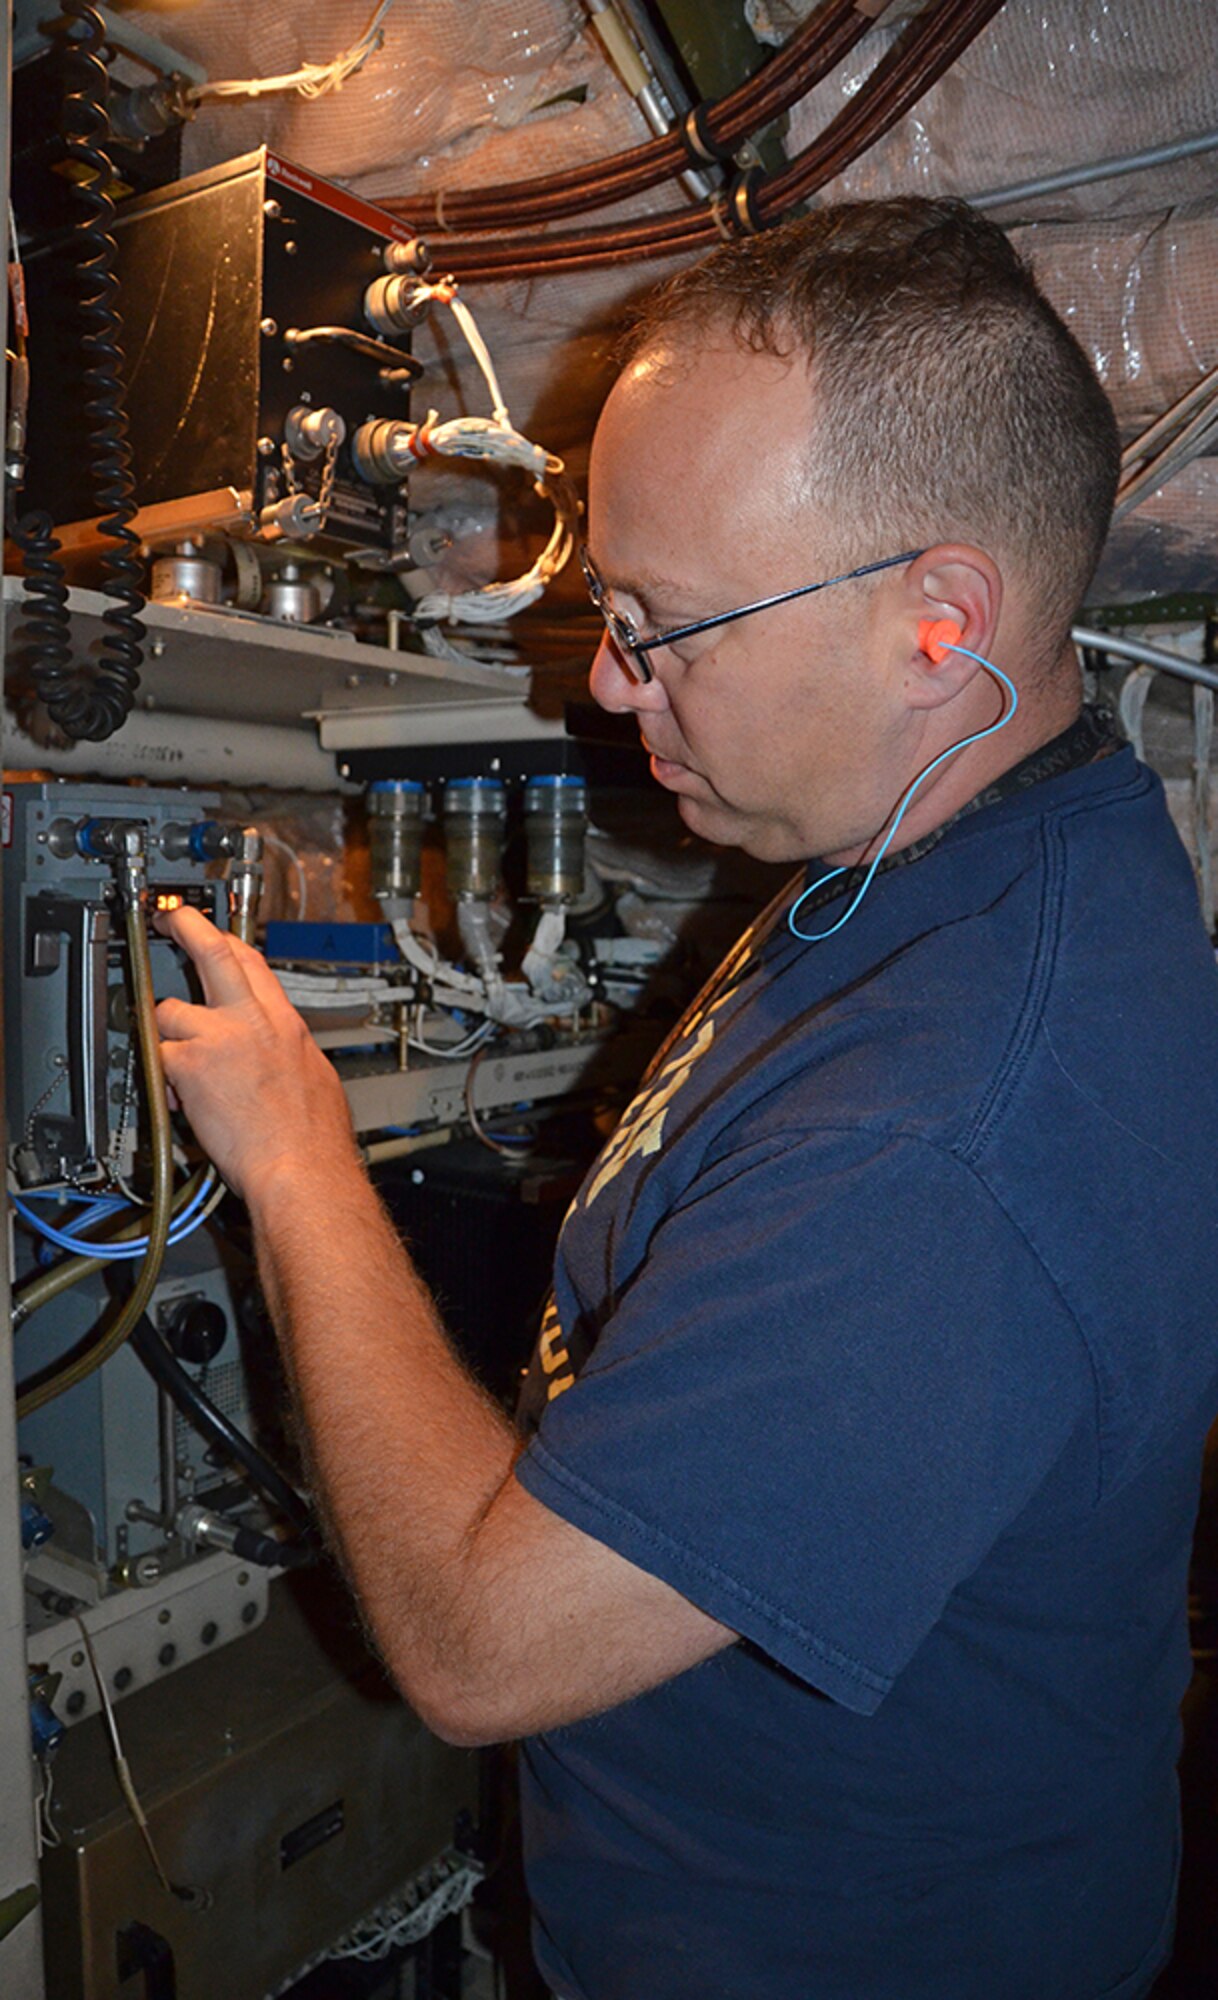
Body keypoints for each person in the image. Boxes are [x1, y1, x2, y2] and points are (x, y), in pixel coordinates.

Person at [157, 199, 1218, 2000]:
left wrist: (295, 1158)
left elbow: (484, 1649)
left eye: (662, 624)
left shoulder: (945, 1128)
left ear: (934, 627)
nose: (611, 681)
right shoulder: (957, 846)